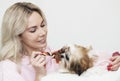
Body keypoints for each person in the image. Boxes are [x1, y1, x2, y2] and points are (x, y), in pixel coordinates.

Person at [0, 2, 59, 81]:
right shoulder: (8, 67)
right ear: (18, 35)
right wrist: (39, 75)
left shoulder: (49, 53)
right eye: (33, 30)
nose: (43, 33)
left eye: (43, 25)